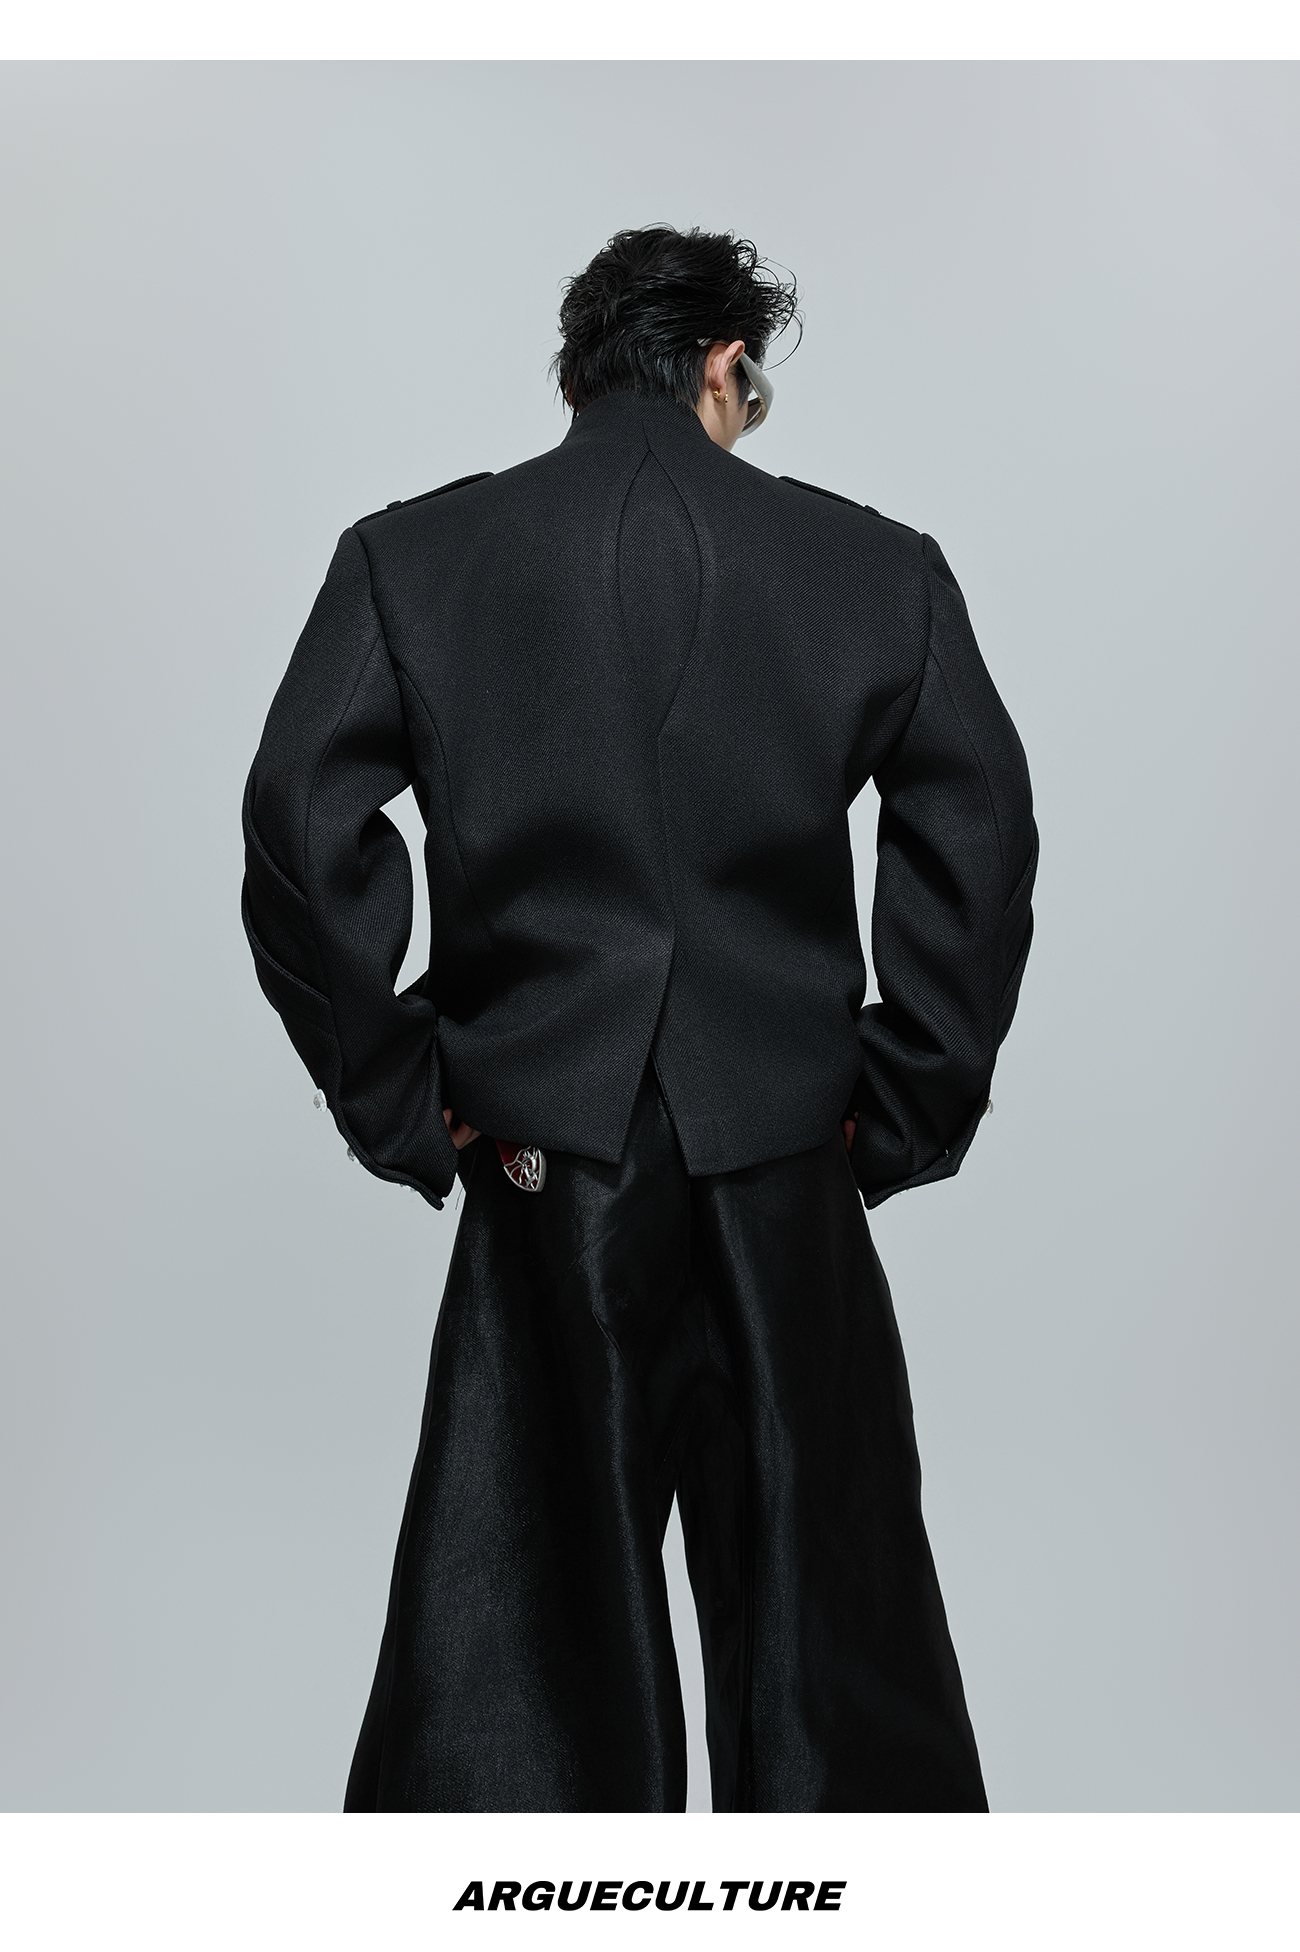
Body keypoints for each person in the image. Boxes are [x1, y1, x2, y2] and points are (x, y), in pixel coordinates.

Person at [240, 225, 1037, 1813]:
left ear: (578, 377)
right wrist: (903, 1101)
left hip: (549, 1154)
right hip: (784, 1148)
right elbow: (981, 838)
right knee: (829, 1627)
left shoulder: (419, 557)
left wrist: (403, 1090)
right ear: (726, 366)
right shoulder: (876, 567)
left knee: (524, 1639)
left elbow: (298, 824)